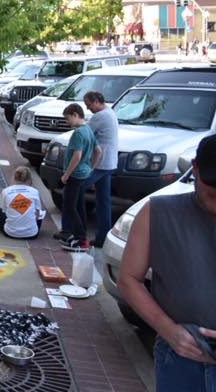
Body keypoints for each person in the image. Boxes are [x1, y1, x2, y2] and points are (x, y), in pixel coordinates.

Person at [119, 133, 216, 390]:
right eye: (213, 187)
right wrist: (170, 332)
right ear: (195, 168)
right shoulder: (157, 212)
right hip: (181, 359)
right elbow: (129, 279)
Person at [56, 104, 99, 252]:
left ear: (75, 115)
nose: (67, 122)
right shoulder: (88, 130)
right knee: (79, 206)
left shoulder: (78, 133)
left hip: (75, 175)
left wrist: (66, 174)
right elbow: (98, 151)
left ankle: (81, 240)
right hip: (84, 174)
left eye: (68, 119)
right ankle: (80, 235)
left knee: (70, 207)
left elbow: (77, 155)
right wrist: (91, 168)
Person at [82, 91, 117, 248]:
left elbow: (85, 134)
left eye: (89, 105)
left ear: (96, 101)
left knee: (75, 190)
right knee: (103, 201)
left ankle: (76, 231)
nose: (88, 109)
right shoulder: (110, 112)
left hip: (100, 163)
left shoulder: (100, 116)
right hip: (109, 162)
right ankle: (103, 237)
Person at [0, 167, 44, 239]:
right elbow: (37, 215)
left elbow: (5, 211)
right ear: (29, 178)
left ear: (14, 177)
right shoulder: (34, 191)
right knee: (40, 213)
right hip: (32, 234)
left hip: (10, 233)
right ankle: (29, 227)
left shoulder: (6, 191)